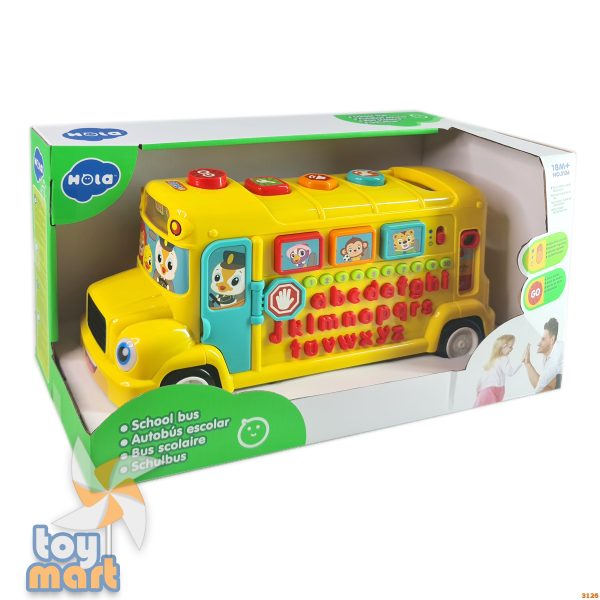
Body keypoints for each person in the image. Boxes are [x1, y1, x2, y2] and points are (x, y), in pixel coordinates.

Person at [475, 334, 522, 407]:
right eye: (510, 347)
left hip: (485, 391)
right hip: (494, 390)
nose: (512, 349)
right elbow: (510, 372)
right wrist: (521, 362)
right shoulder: (503, 358)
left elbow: (480, 380)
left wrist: (478, 392)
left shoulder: (491, 361)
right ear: (504, 346)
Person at [523, 317, 563, 393]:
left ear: (552, 339)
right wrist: (527, 363)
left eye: (543, 339)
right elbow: (546, 385)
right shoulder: (549, 355)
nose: (538, 343)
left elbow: (540, 389)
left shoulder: (555, 360)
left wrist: (527, 363)